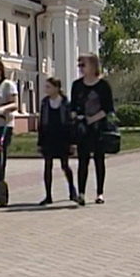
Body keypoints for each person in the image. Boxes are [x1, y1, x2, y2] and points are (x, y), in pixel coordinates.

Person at [71, 53, 115, 206]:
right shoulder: (77, 85)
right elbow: (73, 106)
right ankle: (81, 193)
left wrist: (93, 118)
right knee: (83, 160)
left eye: (83, 65)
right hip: (83, 128)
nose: (81, 68)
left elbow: (108, 108)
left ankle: (99, 193)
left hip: (99, 127)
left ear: (93, 65)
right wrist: (75, 115)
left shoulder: (103, 85)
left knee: (99, 159)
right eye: (79, 65)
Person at [37, 77, 78, 206]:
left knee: (65, 165)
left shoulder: (66, 103)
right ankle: (48, 195)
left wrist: (72, 142)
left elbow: (71, 124)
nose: (46, 89)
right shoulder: (45, 103)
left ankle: (72, 190)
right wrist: (40, 142)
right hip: (48, 138)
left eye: (49, 87)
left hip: (62, 138)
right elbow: (41, 124)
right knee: (47, 166)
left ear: (57, 88)